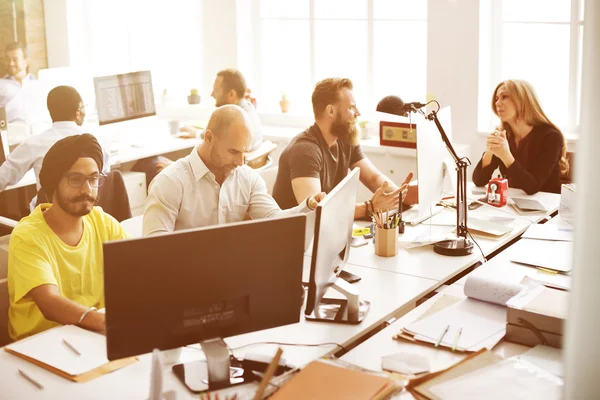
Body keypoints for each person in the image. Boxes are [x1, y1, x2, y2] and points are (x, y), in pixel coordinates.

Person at [7, 134, 129, 341]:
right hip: (40, 344)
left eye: (93, 178)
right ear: (53, 182)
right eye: (75, 179)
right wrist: (107, 322)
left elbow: (141, 269)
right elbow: (49, 303)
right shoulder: (28, 235)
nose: (87, 189)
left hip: (90, 336)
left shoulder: (103, 222)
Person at [143, 105, 324, 236]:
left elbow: (274, 219)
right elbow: (153, 247)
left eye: (245, 152)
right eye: (233, 151)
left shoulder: (248, 178)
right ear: (208, 137)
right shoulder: (170, 182)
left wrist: (307, 206)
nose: (240, 162)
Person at [272, 78, 413, 219]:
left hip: (325, 233)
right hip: (296, 237)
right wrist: (370, 207)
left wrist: (400, 196)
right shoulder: (305, 151)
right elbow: (316, 213)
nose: (358, 112)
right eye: (351, 107)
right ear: (331, 111)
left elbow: (373, 178)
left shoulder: (345, 140)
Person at [0, 85, 110, 210]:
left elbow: (2, 178)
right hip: (89, 212)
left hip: (49, 218)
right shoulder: (98, 141)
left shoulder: (34, 143)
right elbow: (105, 178)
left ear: (50, 111)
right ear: (78, 111)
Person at [472, 79, 569, 194]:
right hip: (513, 205)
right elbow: (478, 181)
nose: (497, 103)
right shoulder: (504, 134)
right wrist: (489, 152)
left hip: (546, 206)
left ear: (522, 100)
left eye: (504, 97)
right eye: (497, 98)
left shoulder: (551, 137)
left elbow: (533, 186)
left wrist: (506, 157)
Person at [0, 42, 45, 123]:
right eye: (7, 59)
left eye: (15, 59)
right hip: (10, 132)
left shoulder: (39, 84)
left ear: (26, 62)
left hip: (38, 131)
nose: (10, 63)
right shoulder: (1, 85)